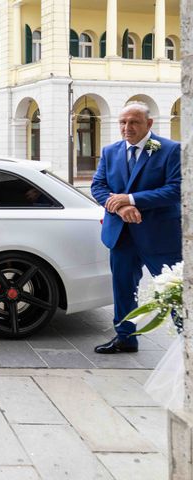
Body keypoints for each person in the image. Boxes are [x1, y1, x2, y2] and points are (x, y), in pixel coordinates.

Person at [91, 101, 182, 354]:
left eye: (134, 122)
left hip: (159, 236)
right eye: (123, 122)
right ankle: (125, 338)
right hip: (121, 234)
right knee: (123, 288)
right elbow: (98, 187)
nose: (127, 127)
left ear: (149, 123)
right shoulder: (111, 151)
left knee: (174, 288)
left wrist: (132, 200)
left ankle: (188, 338)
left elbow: (176, 190)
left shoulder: (169, 149)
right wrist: (120, 208)